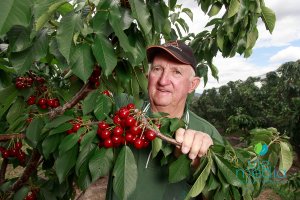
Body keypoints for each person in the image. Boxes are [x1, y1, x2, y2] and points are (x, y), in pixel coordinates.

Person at [106, 40, 224, 200]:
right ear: (148, 76)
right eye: (157, 69)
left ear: (193, 84)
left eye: (176, 72)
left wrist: (203, 167)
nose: (162, 81)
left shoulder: (207, 133)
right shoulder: (124, 111)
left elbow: (226, 191)